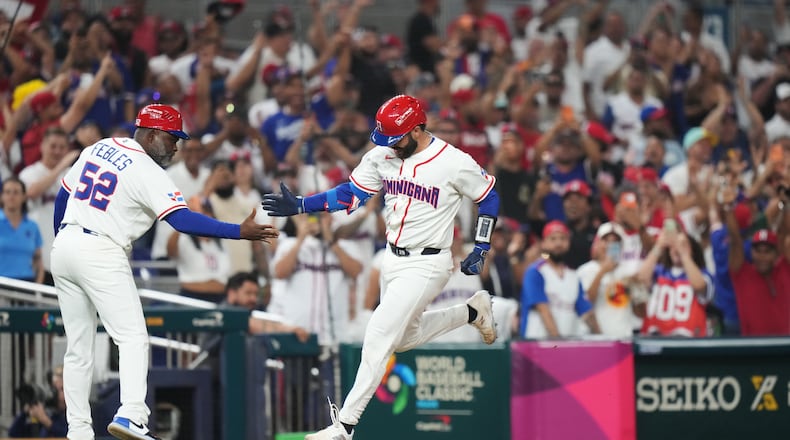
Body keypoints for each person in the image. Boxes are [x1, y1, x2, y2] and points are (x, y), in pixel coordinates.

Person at [261, 94, 499, 439]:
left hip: (429, 261)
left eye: (397, 136)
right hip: (392, 259)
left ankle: (344, 426)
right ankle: (473, 312)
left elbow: (488, 195)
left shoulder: (453, 161)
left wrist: (482, 244)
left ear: (418, 128)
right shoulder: (382, 155)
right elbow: (350, 195)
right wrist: (301, 205)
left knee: (378, 335)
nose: (391, 144)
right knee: (403, 339)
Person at [51, 104, 279, 440]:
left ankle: (78, 431)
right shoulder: (148, 170)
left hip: (66, 244)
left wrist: (63, 240)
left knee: (78, 347)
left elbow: (64, 195)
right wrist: (237, 231)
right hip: (101, 249)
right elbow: (181, 219)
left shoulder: (100, 146)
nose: (176, 146)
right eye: (172, 138)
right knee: (131, 337)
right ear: (153, 133)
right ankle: (131, 414)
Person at [0, 177, 44, 283]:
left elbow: (38, 261)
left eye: (16, 192)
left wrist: (37, 288)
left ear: (24, 197)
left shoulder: (32, 226)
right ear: (1, 196)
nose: (11, 196)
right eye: (7, 192)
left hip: (26, 285)